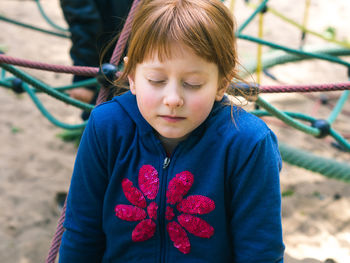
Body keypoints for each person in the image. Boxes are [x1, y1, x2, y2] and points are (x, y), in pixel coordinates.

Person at [59, 0, 285, 262]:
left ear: (222, 82)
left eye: (193, 83)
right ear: (131, 75)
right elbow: (81, 233)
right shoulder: (107, 126)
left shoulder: (248, 144)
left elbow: (260, 252)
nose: (173, 98)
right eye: (156, 80)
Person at [60, 0, 133, 120]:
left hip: (108, 55)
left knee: (102, 118)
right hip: (132, 44)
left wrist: (83, 79)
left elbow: (84, 21)